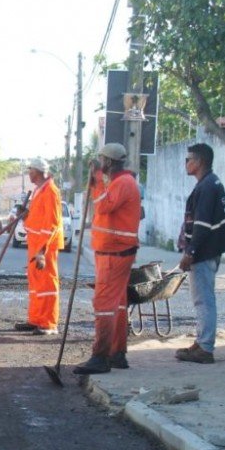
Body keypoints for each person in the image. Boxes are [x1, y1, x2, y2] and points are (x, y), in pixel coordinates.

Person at [73, 143, 141, 375]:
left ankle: (100, 357)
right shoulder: (120, 182)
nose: (99, 163)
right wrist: (97, 181)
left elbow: (102, 206)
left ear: (109, 162)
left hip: (114, 254)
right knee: (118, 305)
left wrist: (97, 179)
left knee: (104, 305)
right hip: (115, 253)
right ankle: (116, 353)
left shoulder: (122, 183)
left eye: (101, 159)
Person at [176, 142, 225, 364]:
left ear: (199, 162)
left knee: (203, 300)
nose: (186, 163)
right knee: (203, 298)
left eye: (188, 159)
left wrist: (190, 252)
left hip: (204, 252)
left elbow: (202, 225)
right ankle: (202, 341)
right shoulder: (211, 183)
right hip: (210, 250)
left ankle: (205, 347)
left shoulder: (207, 186)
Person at [14, 158, 64, 336]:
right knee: (36, 283)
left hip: (45, 246)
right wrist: (24, 216)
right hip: (35, 244)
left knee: (47, 284)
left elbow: (52, 223)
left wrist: (42, 251)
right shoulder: (39, 190)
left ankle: (49, 323)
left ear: (40, 171)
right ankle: (35, 319)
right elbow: (37, 218)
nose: (29, 173)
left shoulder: (50, 191)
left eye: (31, 170)